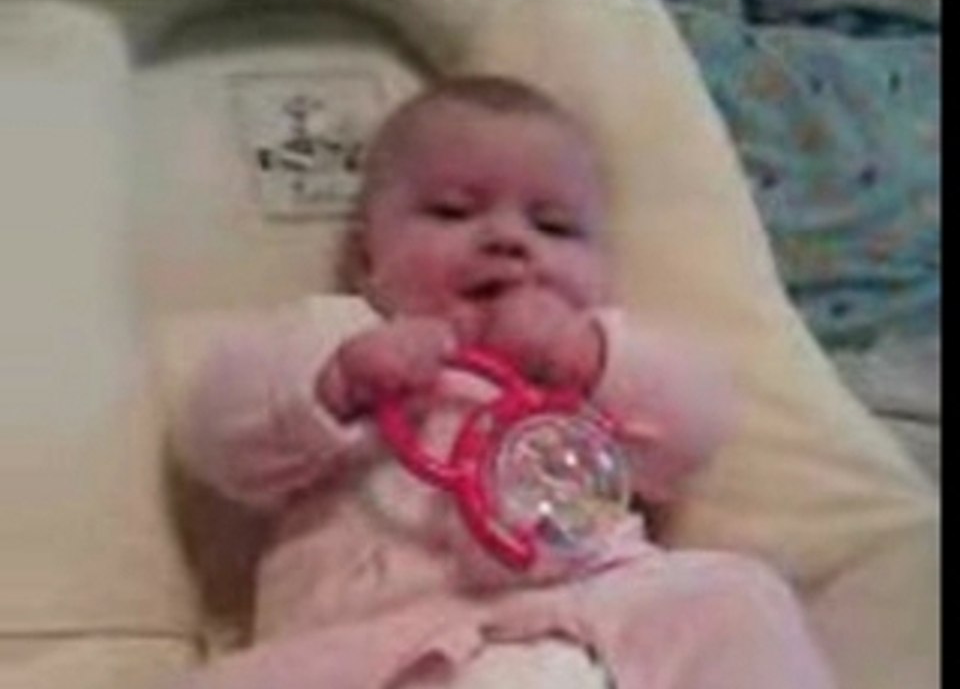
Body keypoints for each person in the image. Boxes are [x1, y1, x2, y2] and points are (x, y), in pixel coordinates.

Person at [173, 76, 834, 688]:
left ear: (603, 269)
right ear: (366, 254)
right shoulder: (335, 332)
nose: (508, 240)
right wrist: (341, 378)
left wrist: (584, 355)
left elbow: (697, 432)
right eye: (452, 212)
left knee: (737, 596)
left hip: (592, 601)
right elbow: (214, 437)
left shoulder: (602, 356)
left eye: (554, 227)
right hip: (378, 640)